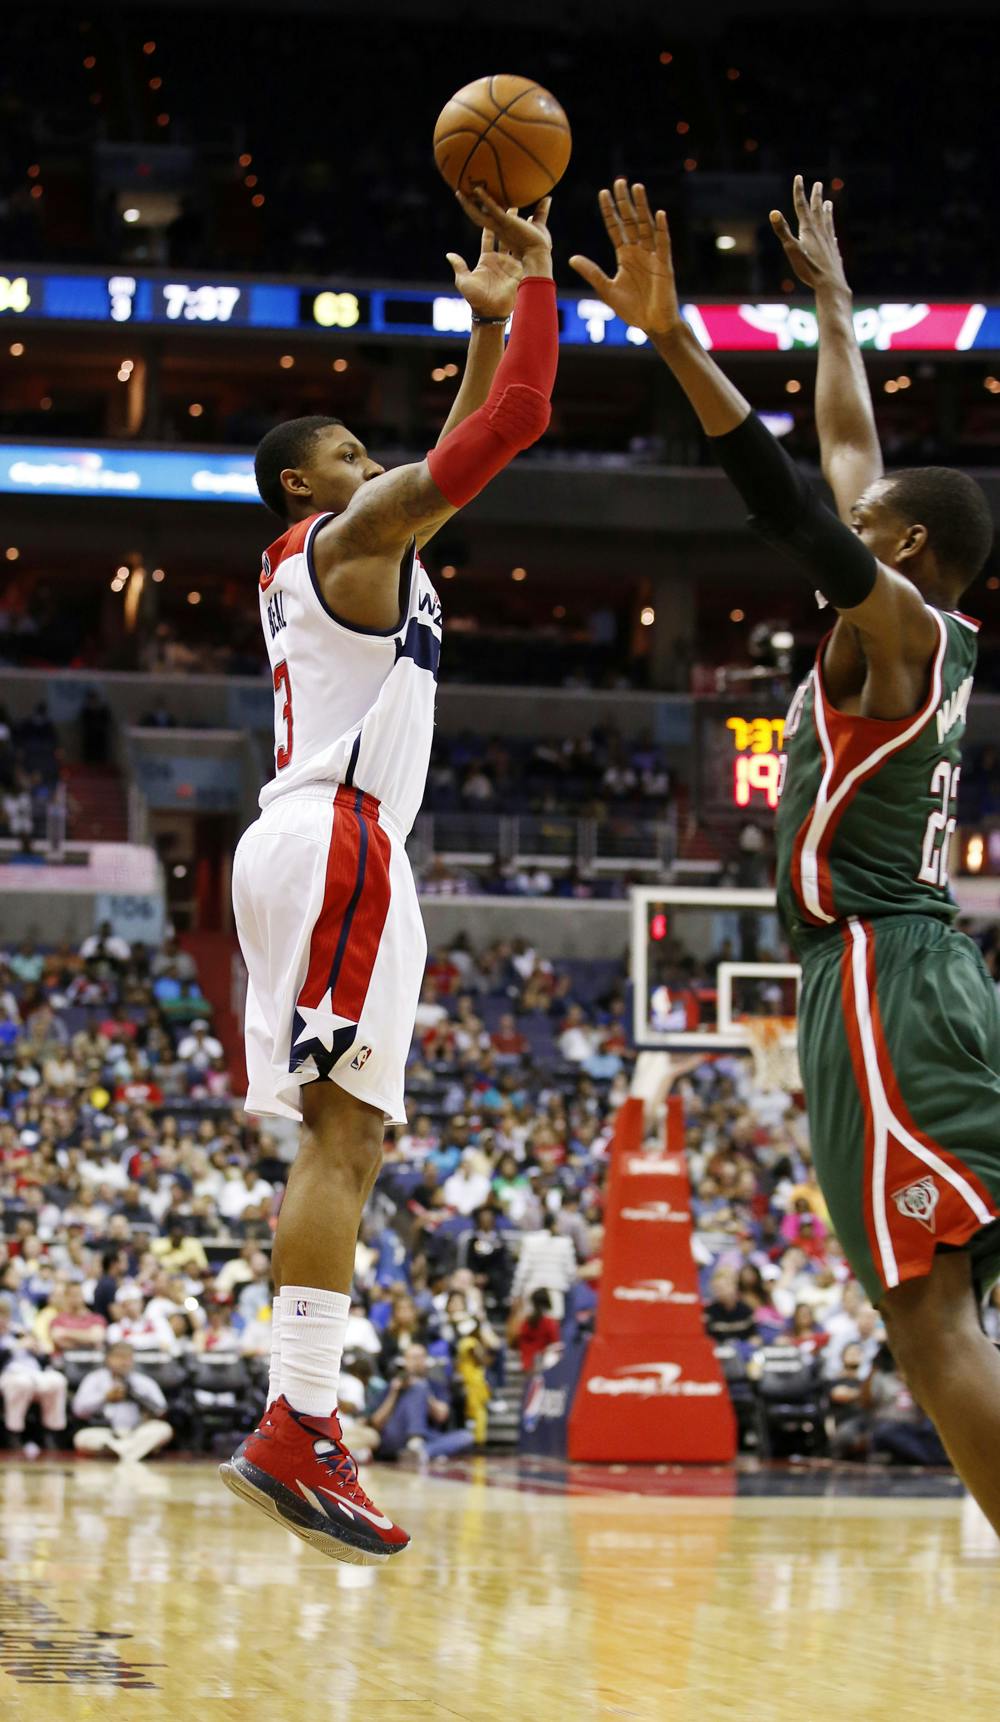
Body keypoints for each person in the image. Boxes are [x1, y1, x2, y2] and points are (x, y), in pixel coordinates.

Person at [572, 174, 1000, 1529]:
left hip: (878, 978)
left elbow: (797, 506)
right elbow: (848, 456)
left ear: (909, 551)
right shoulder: (922, 624)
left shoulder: (897, 627)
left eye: (870, 534)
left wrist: (676, 342)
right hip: (918, 971)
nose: (846, 532)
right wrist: (832, 311)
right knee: (941, 1314)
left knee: (929, 1329)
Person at [221, 188, 558, 1563]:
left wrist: (475, 326)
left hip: (331, 840)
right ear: (305, 484)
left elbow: (452, 445)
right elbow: (503, 433)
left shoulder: (356, 553)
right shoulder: (344, 546)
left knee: (349, 1138)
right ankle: (298, 1420)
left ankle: (298, 1417)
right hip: (341, 835)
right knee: (341, 1140)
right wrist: (533, 297)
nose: (379, 466)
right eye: (352, 453)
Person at [369, 1343, 474, 1464]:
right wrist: (394, 1393)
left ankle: (420, 1451)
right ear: (405, 1361)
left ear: (426, 1360)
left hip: (426, 1435)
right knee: (420, 1387)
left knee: (466, 1437)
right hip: (396, 1434)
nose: (417, 1362)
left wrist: (426, 1394)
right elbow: (376, 1422)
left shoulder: (435, 1385)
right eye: (413, 1358)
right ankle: (418, 1445)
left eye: (420, 1357)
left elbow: (441, 1416)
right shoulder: (392, 1385)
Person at [72, 1341, 173, 1462]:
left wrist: (139, 1399)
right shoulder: (94, 1379)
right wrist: (105, 1398)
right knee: (82, 1438)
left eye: (128, 1357)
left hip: (137, 1432)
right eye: (119, 1357)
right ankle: (132, 1452)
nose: (124, 1362)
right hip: (107, 1433)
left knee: (163, 1429)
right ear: (108, 1359)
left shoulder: (144, 1382)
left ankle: (120, 1452)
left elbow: (162, 1410)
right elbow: (78, 1410)